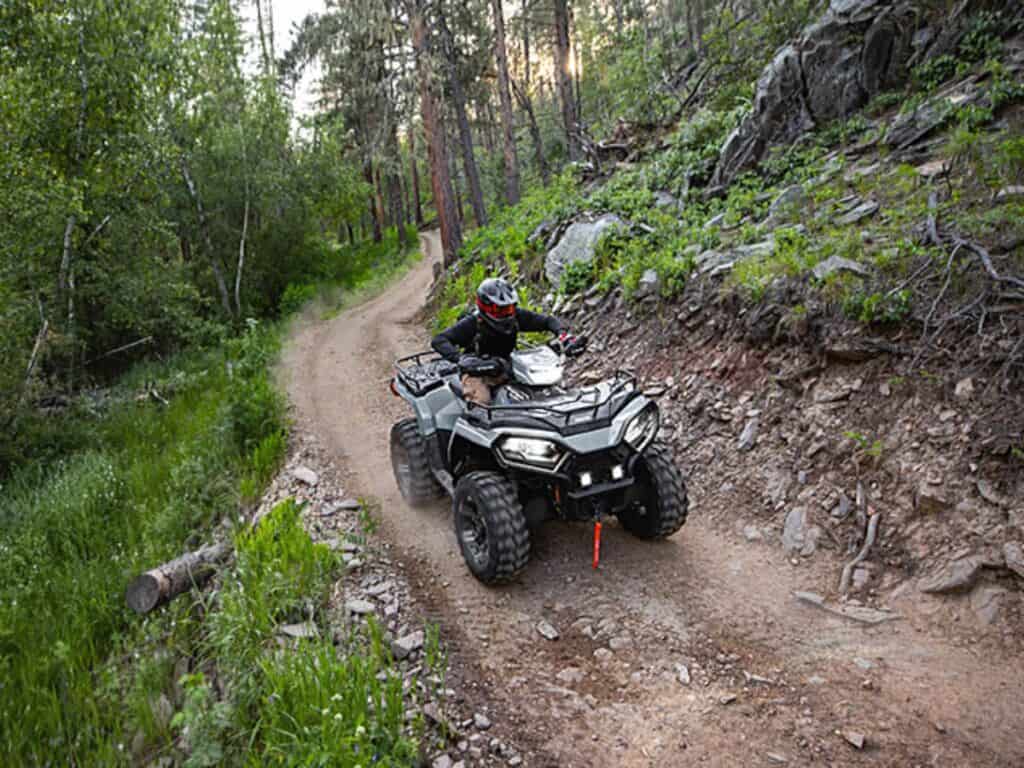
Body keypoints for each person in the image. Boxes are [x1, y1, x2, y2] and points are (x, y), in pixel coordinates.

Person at [432, 277, 564, 405]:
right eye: (499, 309)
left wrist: (563, 336)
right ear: (485, 306)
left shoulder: (517, 316)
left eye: (509, 308)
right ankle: (474, 421)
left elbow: (548, 321)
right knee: (482, 400)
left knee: (545, 388)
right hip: (477, 373)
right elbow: (439, 340)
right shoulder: (473, 323)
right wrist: (461, 359)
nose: (505, 313)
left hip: (506, 367)